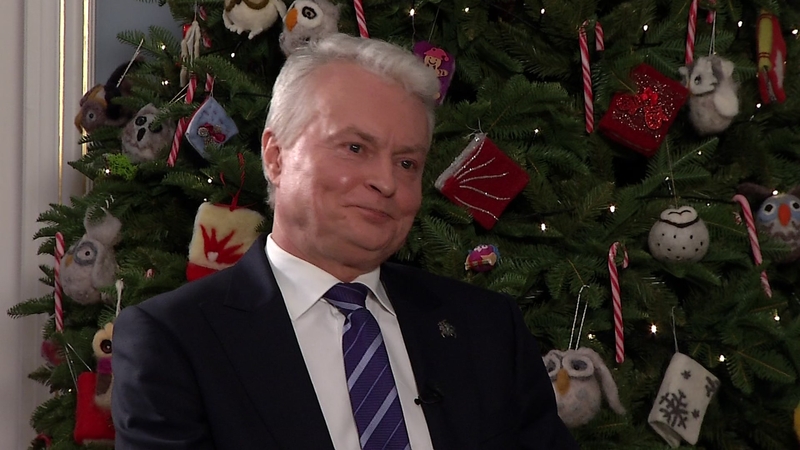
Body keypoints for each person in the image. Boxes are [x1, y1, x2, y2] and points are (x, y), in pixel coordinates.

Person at [112, 33, 578, 450]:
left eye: (407, 163)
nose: (386, 182)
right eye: (355, 148)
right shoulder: (173, 341)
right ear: (275, 157)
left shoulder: (487, 327)